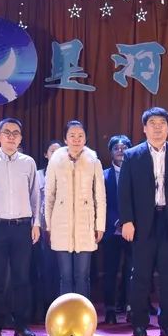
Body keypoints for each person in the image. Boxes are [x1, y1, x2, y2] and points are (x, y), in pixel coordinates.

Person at [118, 107, 168, 336]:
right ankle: (139, 323)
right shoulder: (132, 155)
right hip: (142, 223)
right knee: (140, 275)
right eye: (152, 123)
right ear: (144, 128)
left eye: (162, 123)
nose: (157, 128)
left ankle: (167, 323)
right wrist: (127, 221)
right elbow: (124, 192)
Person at [0, 118, 40, 336]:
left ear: (21, 138)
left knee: (21, 278)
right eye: (7, 132)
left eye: (16, 133)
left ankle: (21, 326)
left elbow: (36, 196)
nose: (11, 136)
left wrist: (36, 223)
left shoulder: (29, 163)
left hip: (22, 227)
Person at [44, 120, 106, 299]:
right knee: (65, 276)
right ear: (65, 139)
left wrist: (99, 225)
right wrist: (48, 225)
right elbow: (49, 195)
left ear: (85, 138)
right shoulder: (56, 161)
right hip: (61, 225)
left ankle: (83, 313)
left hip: (86, 225)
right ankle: (65, 313)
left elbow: (100, 196)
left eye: (80, 135)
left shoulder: (93, 161)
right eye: (72, 135)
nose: (76, 139)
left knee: (82, 276)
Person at [101, 135, 133, 324]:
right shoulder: (103, 175)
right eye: (116, 148)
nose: (120, 151)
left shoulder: (136, 173)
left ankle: (130, 307)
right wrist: (116, 221)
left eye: (124, 148)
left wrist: (128, 220)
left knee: (132, 271)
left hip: (133, 230)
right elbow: (101, 203)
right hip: (110, 231)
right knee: (110, 271)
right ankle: (110, 310)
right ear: (111, 152)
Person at [32, 140, 63, 321]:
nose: (56, 155)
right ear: (45, 154)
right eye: (52, 151)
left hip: (63, 229)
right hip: (42, 229)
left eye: (59, 151)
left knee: (60, 271)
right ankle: (42, 309)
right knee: (43, 270)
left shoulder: (67, 173)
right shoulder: (38, 175)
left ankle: (59, 309)